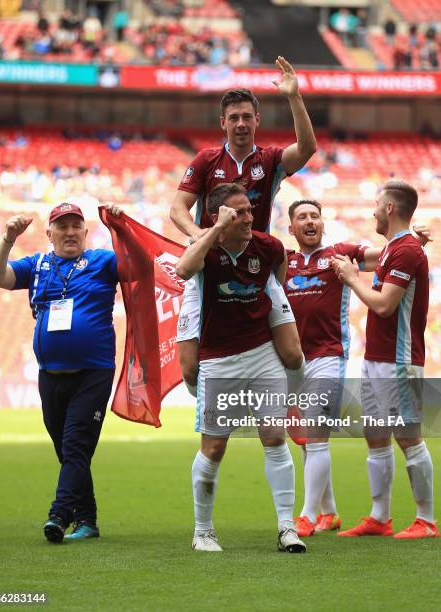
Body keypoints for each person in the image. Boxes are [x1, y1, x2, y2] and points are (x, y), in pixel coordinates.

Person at [170, 56, 316, 396]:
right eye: (233, 117)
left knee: (293, 354)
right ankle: (209, 404)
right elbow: (177, 208)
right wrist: (201, 237)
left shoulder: (269, 160)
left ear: (257, 121)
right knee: (190, 369)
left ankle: (292, 404)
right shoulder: (206, 160)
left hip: (255, 262)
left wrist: (294, 96)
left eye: (246, 117)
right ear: (223, 123)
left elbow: (307, 149)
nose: (240, 123)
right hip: (209, 266)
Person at [284, 199, 430, 537]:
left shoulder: (342, 253)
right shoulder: (285, 262)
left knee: (317, 434)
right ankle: (329, 513)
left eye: (315, 216)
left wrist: (413, 243)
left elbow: (387, 258)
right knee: (307, 441)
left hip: (328, 355)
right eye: (302, 217)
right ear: (291, 228)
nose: (310, 221)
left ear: (323, 223)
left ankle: (305, 516)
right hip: (293, 360)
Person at [175, 183, 306, 553]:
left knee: (274, 437)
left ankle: (287, 527)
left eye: (249, 210)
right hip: (218, 358)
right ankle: (203, 531)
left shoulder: (268, 247)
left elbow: (278, 271)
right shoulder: (205, 247)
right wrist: (216, 229)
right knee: (214, 448)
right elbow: (184, 270)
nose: (248, 218)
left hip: (262, 352)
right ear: (220, 216)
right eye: (239, 213)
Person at [0, 202, 123, 543]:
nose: (70, 232)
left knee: (75, 446)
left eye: (76, 226)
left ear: (86, 232)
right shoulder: (37, 265)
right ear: (49, 234)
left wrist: (122, 230)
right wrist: (7, 238)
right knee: (68, 452)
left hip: (94, 371)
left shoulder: (103, 261)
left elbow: (140, 266)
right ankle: (87, 521)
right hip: (50, 374)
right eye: (62, 227)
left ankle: (59, 515)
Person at [332, 180, 439, 539]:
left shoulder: (406, 250)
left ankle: (426, 520)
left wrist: (350, 278)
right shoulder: (396, 249)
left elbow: (384, 303)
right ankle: (380, 517)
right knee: (375, 434)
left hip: (400, 359)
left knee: (409, 436)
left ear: (390, 208)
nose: (373, 211)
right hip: (378, 357)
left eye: (377, 205)